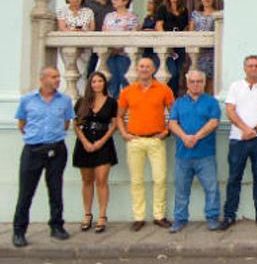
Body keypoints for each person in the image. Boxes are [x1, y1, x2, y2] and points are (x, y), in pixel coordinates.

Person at [12, 66, 74, 248]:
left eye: (58, 76)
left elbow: (66, 123)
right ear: (43, 79)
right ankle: (19, 230)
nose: (58, 80)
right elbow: (22, 124)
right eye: (54, 77)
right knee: (26, 192)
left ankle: (56, 225)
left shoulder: (64, 100)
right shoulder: (27, 100)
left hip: (56, 149)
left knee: (55, 189)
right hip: (33, 150)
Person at [116, 58, 174, 231]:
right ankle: (139, 217)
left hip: (156, 140)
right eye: (141, 66)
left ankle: (159, 215)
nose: (144, 69)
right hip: (135, 140)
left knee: (159, 179)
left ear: (154, 69)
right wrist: (124, 133)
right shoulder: (128, 91)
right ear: (137, 69)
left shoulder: (164, 89)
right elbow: (119, 115)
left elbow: (174, 114)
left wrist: (165, 132)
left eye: (148, 66)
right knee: (137, 181)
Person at [220, 55, 257, 230]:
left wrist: (255, 131)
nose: (253, 68)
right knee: (234, 178)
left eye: (256, 66)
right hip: (238, 140)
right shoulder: (235, 87)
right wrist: (246, 130)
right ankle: (229, 216)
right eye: (250, 66)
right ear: (244, 68)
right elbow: (230, 111)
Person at [167, 70, 222, 233]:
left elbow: (213, 122)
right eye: (192, 81)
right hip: (183, 155)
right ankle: (180, 219)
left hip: (205, 155)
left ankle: (212, 218)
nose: (196, 84)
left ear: (204, 83)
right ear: (187, 83)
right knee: (181, 189)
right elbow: (172, 123)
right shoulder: (178, 103)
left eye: (199, 81)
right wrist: (185, 137)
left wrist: (196, 137)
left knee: (211, 188)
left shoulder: (212, 102)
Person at [72, 72, 118, 234]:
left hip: (103, 143)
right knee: (87, 180)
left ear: (104, 83)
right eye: (94, 81)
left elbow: (114, 124)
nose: (97, 84)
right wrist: (85, 142)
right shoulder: (82, 102)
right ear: (90, 84)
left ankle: (102, 216)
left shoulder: (111, 102)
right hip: (84, 143)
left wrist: (101, 141)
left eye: (100, 81)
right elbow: (76, 125)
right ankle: (87, 214)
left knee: (101, 180)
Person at [155, 0, 190, 96]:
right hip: (167, 42)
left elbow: (185, 26)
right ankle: (166, 95)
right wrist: (165, 41)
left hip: (179, 43)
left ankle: (173, 96)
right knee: (171, 71)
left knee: (178, 72)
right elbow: (159, 25)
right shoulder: (162, 8)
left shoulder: (183, 9)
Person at [102, 0, 139, 97]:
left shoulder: (132, 17)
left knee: (125, 80)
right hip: (110, 53)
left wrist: (120, 48)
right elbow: (104, 32)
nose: (113, 1)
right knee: (112, 82)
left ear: (125, 1)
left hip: (124, 54)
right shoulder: (109, 16)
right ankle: (113, 106)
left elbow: (133, 35)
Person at [189, 0, 218, 94]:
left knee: (211, 79)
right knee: (199, 78)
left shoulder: (217, 14)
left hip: (212, 51)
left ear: (213, 0)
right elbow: (191, 29)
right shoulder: (196, 14)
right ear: (201, 0)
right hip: (199, 51)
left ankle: (209, 101)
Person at [85, 0, 116, 76]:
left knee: (107, 71)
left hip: (108, 42)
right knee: (90, 68)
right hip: (91, 41)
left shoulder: (112, 5)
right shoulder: (87, 3)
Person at [140, 0, 162, 69]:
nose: (148, 5)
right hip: (146, 46)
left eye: (150, 3)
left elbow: (158, 29)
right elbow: (141, 28)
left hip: (155, 47)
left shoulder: (158, 17)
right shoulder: (147, 17)